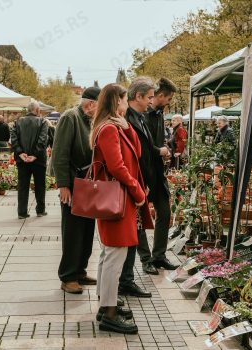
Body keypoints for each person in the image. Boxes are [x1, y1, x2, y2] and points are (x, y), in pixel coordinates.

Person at [91, 84, 153, 334]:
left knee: (110, 254)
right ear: (118, 101)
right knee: (114, 255)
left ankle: (105, 304)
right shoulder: (108, 129)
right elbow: (118, 167)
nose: (127, 104)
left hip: (117, 198)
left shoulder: (114, 127)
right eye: (125, 100)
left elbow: (135, 153)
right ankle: (109, 313)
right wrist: (138, 191)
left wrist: (127, 128)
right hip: (117, 198)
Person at [51, 87, 100, 294]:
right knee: (72, 232)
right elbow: (59, 153)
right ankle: (68, 276)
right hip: (72, 184)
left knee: (87, 231)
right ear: (90, 104)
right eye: (99, 106)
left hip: (87, 184)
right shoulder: (70, 118)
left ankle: (80, 270)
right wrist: (63, 185)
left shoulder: (90, 119)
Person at [118, 77, 164, 298]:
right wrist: (138, 184)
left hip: (140, 182)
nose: (151, 101)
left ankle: (126, 279)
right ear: (137, 97)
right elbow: (129, 158)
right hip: (133, 184)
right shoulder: (126, 119)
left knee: (134, 231)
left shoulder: (140, 118)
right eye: (149, 97)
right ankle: (125, 281)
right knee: (130, 233)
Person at [141, 77, 179, 272]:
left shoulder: (159, 114)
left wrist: (163, 148)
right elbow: (142, 146)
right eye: (169, 98)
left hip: (158, 171)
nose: (169, 102)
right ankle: (146, 259)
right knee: (139, 216)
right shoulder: (143, 115)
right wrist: (160, 150)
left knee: (164, 212)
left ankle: (159, 255)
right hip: (144, 172)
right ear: (161, 95)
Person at [10, 102, 49, 219]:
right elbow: (42, 140)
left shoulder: (17, 122)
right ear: (37, 110)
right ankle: (40, 210)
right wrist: (35, 155)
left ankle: (22, 212)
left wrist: (20, 152)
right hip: (38, 160)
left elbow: (13, 138)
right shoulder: (42, 122)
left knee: (22, 185)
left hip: (22, 159)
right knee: (40, 185)